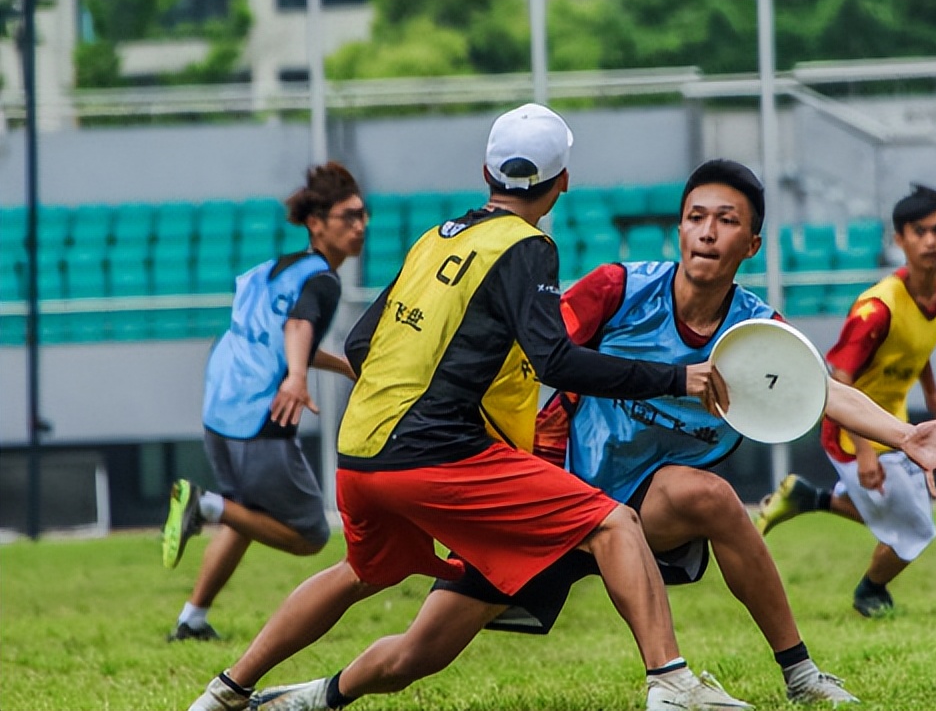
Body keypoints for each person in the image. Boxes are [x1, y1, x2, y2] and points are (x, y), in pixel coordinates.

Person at [188, 104, 752, 711]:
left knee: (364, 573)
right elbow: (555, 362)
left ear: (486, 170)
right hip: (437, 456)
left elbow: (360, 344)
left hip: (359, 456)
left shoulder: (434, 239)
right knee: (613, 523)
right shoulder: (527, 246)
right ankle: (670, 683)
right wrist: (676, 376)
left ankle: (227, 691)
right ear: (563, 183)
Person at [429, 161, 936, 707]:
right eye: (696, 217)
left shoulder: (755, 332)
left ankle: (799, 676)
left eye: (726, 220)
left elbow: (825, 390)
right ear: (680, 231)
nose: (708, 231)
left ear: (752, 244)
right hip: (553, 490)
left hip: (641, 503)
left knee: (714, 498)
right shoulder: (618, 289)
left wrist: (904, 435)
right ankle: (338, 687)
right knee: (415, 649)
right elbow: (530, 357)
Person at [161, 161, 365, 642]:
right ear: (317, 223)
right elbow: (297, 328)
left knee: (246, 513)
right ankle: (202, 505)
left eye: (362, 216)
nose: (360, 227)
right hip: (261, 412)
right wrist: (295, 378)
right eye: (348, 217)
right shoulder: (322, 281)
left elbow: (281, 334)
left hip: (220, 405)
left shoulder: (274, 269)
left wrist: (342, 368)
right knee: (309, 535)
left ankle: (192, 619)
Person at [756, 183, 936, 618]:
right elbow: (838, 379)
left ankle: (807, 499)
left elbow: (916, 347)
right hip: (852, 432)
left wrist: (934, 396)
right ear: (898, 239)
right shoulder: (877, 308)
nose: (931, 240)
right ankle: (869, 592)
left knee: (901, 520)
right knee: (916, 530)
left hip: (900, 425)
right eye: (919, 231)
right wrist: (864, 451)